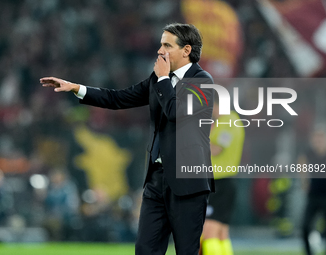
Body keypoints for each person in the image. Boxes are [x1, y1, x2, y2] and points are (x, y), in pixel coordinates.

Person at [41, 23, 215, 255]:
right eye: (160, 44)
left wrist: (163, 80)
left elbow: (176, 114)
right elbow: (118, 98)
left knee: (186, 250)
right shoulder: (158, 79)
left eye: (166, 45)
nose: (159, 51)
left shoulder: (201, 81)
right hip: (156, 180)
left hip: (187, 182)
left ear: (186, 50)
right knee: (145, 249)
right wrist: (76, 88)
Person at [200, 100, 245, 255]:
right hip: (224, 181)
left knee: (209, 232)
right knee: (222, 233)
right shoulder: (229, 121)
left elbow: (218, 148)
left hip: (220, 182)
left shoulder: (229, 121)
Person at [298, 127, 326, 255]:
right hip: (313, 196)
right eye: (316, 138)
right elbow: (301, 162)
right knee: (305, 226)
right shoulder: (309, 153)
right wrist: (304, 181)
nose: (318, 141)